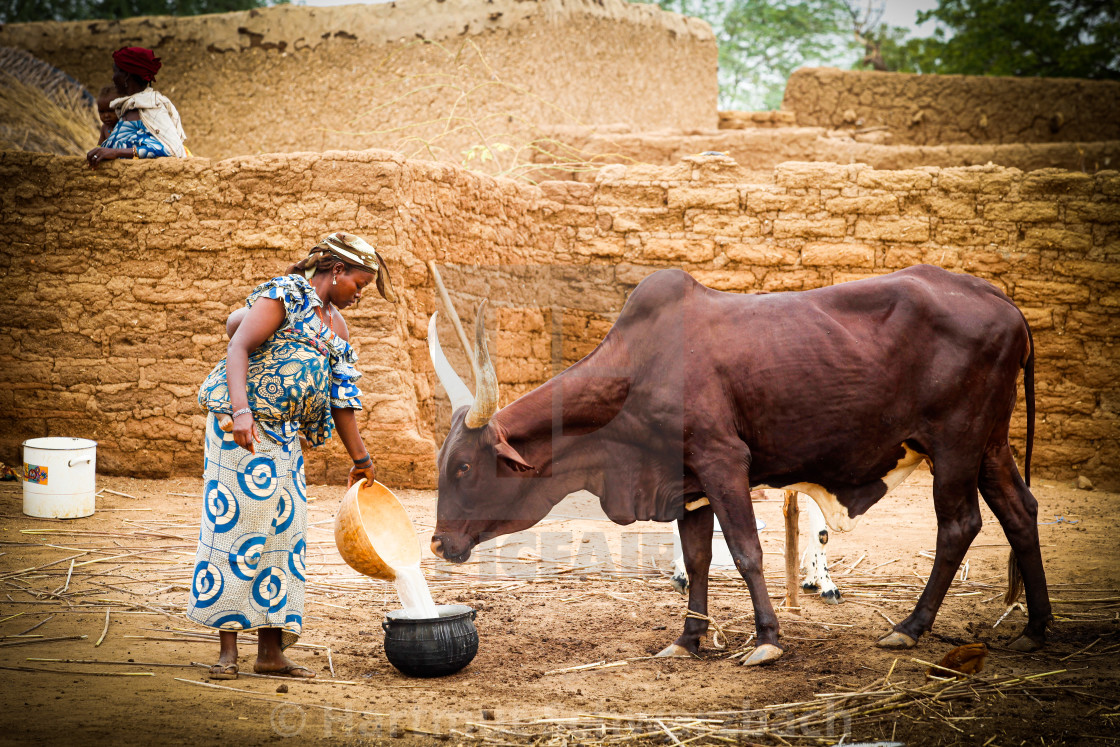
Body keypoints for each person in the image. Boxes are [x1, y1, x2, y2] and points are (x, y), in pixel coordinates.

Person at [189, 232, 397, 680]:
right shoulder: (285, 295)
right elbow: (238, 346)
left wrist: (361, 459)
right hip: (238, 425)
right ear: (337, 271)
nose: (359, 296)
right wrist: (241, 412)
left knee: (285, 534)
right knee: (237, 528)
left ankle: (271, 653)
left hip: (284, 435)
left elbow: (343, 399)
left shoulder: (336, 326)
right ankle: (228, 653)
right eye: (358, 285)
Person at [86, 46, 187, 169]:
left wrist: (116, 152)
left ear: (126, 75)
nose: (113, 77)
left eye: (115, 72)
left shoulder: (151, 108)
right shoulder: (127, 109)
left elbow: (170, 150)